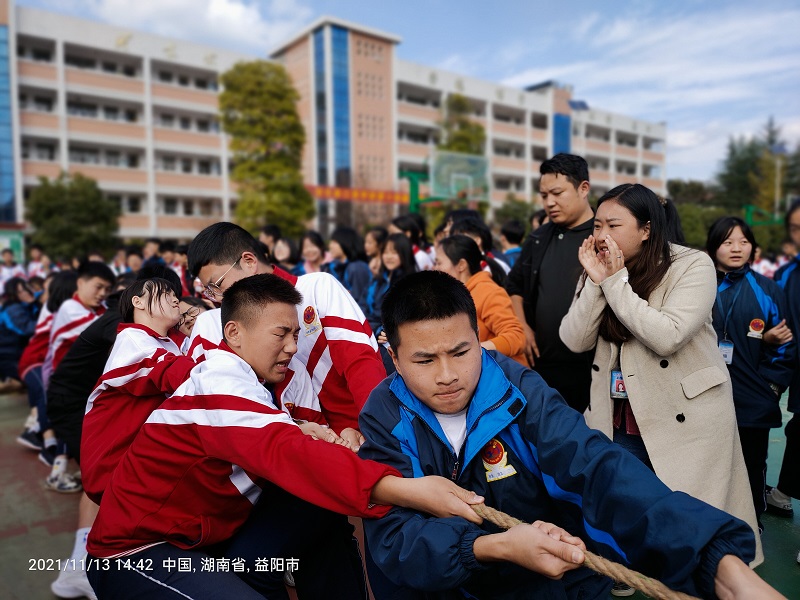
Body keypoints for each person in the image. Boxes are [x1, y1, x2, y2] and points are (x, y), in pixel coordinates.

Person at [358, 270, 779, 600]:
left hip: (557, 585)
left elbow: (596, 467)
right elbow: (395, 539)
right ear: (392, 356)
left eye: (461, 352)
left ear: (478, 339)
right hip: (444, 590)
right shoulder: (384, 413)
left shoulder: (518, 391)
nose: (447, 375)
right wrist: (491, 547)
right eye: (425, 359)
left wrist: (717, 563)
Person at [85, 274, 483, 599]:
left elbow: (283, 441)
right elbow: (288, 454)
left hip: (205, 543)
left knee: (316, 511)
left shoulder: (256, 388)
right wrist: (412, 490)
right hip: (137, 553)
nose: (293, 347)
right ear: (234, 332)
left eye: (296, 334)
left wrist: (309, 431)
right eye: (282, 335)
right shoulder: (217, 379)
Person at [559, 184, 762, 570]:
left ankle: (713, 576)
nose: (601, 236)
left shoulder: (693, 265)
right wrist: (597, 284)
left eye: (613, 225)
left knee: (692, 515)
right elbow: (574, 338)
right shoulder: (599, 269)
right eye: (597, 225)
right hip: (618, 414)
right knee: (625, 498)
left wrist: (612, 282)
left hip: (685, 413)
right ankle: (625, 567)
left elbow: (667, 335)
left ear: (647, 229)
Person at [188, 222, 386, 445]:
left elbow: (360, 364)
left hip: (357, 435)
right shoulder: (213, 324)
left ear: (249, 261)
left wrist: (376, 433)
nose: (217, 297)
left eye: (218, 284)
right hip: (285, 446)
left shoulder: (317, 289)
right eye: (209, 290)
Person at [706, 216, 796, 531]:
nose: (736, 248)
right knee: (709, 465)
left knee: (752, 466)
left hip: (752, 401)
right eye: (728, 241)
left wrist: (770, 387)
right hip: (704, 397)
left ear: (753, 248)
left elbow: (785, 345)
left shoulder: (767, 289)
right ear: (713, 246)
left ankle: (750, 524)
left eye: (743, 241)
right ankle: (710, 524)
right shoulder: (698, 286)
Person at [81, 277, 196, 504]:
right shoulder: (132, 338)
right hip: (113, 467)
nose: (175, 298)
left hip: (140, 463)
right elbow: (176, 374)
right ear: (138, 302)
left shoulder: (168, 341)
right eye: (165, 293)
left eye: (175, 294)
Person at [506, 154, 595, 413]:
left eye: (557, 193)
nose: (549, 202)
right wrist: (523, 326)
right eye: (544, 195)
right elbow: (515, 286)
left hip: (591, 366)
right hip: (543, 364)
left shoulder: (602, 233)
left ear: (583, 188)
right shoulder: (539, 238)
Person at [42, 261, 115, 491]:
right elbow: (104, 327)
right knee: (83, 446)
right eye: (98, 286)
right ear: (80, 283)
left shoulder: (98, 310)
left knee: (84, 442)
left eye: (108, 289)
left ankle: (73, 473)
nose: (103, 293)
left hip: (83, 389)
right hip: (66, 392)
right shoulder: (69, 310)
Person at [434, 235, 527, 365]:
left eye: (439, 263)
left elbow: (516, 337)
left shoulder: (488, 291)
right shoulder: (455, 294)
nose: (434, 268)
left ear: (461, 265)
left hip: (504, 377)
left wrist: (471, 351)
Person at [767, 199, 800, 535]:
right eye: (795, 228)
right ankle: (781, 494)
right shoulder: (785, 275)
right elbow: (782, 331)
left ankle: (782, 493)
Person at [326, 226, 372, 307]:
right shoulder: (336, 266)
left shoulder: (356, 268)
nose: (330, 246)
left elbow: (359, 301)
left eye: (335, 242)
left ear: (346, 242)